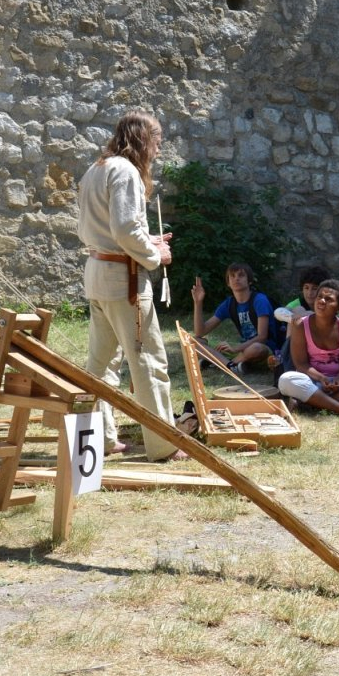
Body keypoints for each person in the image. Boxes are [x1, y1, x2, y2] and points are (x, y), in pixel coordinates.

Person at [76, 110, 180, 461]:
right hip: (124, 281)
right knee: (148, 361)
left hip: (100, 273)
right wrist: (155, 254)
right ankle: (164, 445)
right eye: (156, 141)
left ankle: (101, 439)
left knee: (100, 365)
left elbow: (104, 230)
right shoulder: (125, 170)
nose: (158, 149)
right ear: (142, 139)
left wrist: (147, 240)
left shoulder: (97, 168)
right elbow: (123, 230)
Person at [276, 279, 339, 416]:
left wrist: (338, 379)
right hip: (311, 381)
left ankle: (310, 402)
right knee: (286, 380)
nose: (322, 301)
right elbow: (301, 364)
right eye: (319, 297)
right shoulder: (301, 326)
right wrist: (321, 378)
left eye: (329, 299)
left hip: (336, 385)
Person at [190, 263, 275, 374]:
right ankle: (232, 366)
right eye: (232, 276)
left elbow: (262, 337)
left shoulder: (260, 300)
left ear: (249, 280)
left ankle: (218, 363)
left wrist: (236, 348)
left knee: (256, 348)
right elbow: (200, 332)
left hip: (265, 349)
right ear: (228, 283)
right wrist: (198, 302)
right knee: (194, 342)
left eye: (241, 275)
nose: (236, 279)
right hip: (243, 350)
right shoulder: (229, 304)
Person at [275, 265, 330, 374]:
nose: (309, 293)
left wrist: (308, 315)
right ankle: (288, 361)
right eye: (306, 288)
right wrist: (298, 316)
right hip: (296, 344)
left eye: (314, 288)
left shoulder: (328, 304)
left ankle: (288, 365)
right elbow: (278, 312)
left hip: (320, 348)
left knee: (300, 314)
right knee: (296, 313)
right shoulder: (298, 303)